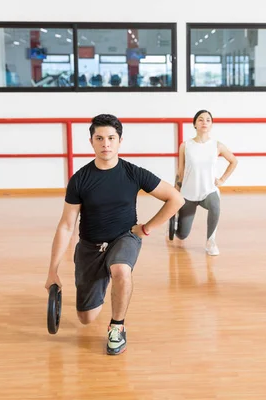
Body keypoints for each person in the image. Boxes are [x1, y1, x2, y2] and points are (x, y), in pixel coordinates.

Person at [44, 114, 184, 355]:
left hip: (124, 237)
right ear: (91, 142)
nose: (105, 143)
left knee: (121, 269)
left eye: (111, 138)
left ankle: (117, 327)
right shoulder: (80, 179)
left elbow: (176, 199)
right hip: (90, 246)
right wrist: (52, 271)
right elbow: (67, 225)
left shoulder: (133, 173)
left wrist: (146, 228)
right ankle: (106, 275)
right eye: (99, 138)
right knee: (86, 318)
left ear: (120, 141)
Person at [170, 110, 238, 256]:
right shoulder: (185, 145)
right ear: (195, 124)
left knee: (215, 205)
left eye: (208, 120)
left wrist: (222, 180)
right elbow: (180, 172)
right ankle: (176, 225)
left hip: (208, 191)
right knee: (182, 235)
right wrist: (174, 194)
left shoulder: (217, 145)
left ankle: (211, 242)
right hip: (188, 193)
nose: (204, 122)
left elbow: (233, 161)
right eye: (200, 120)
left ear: (211, 124)